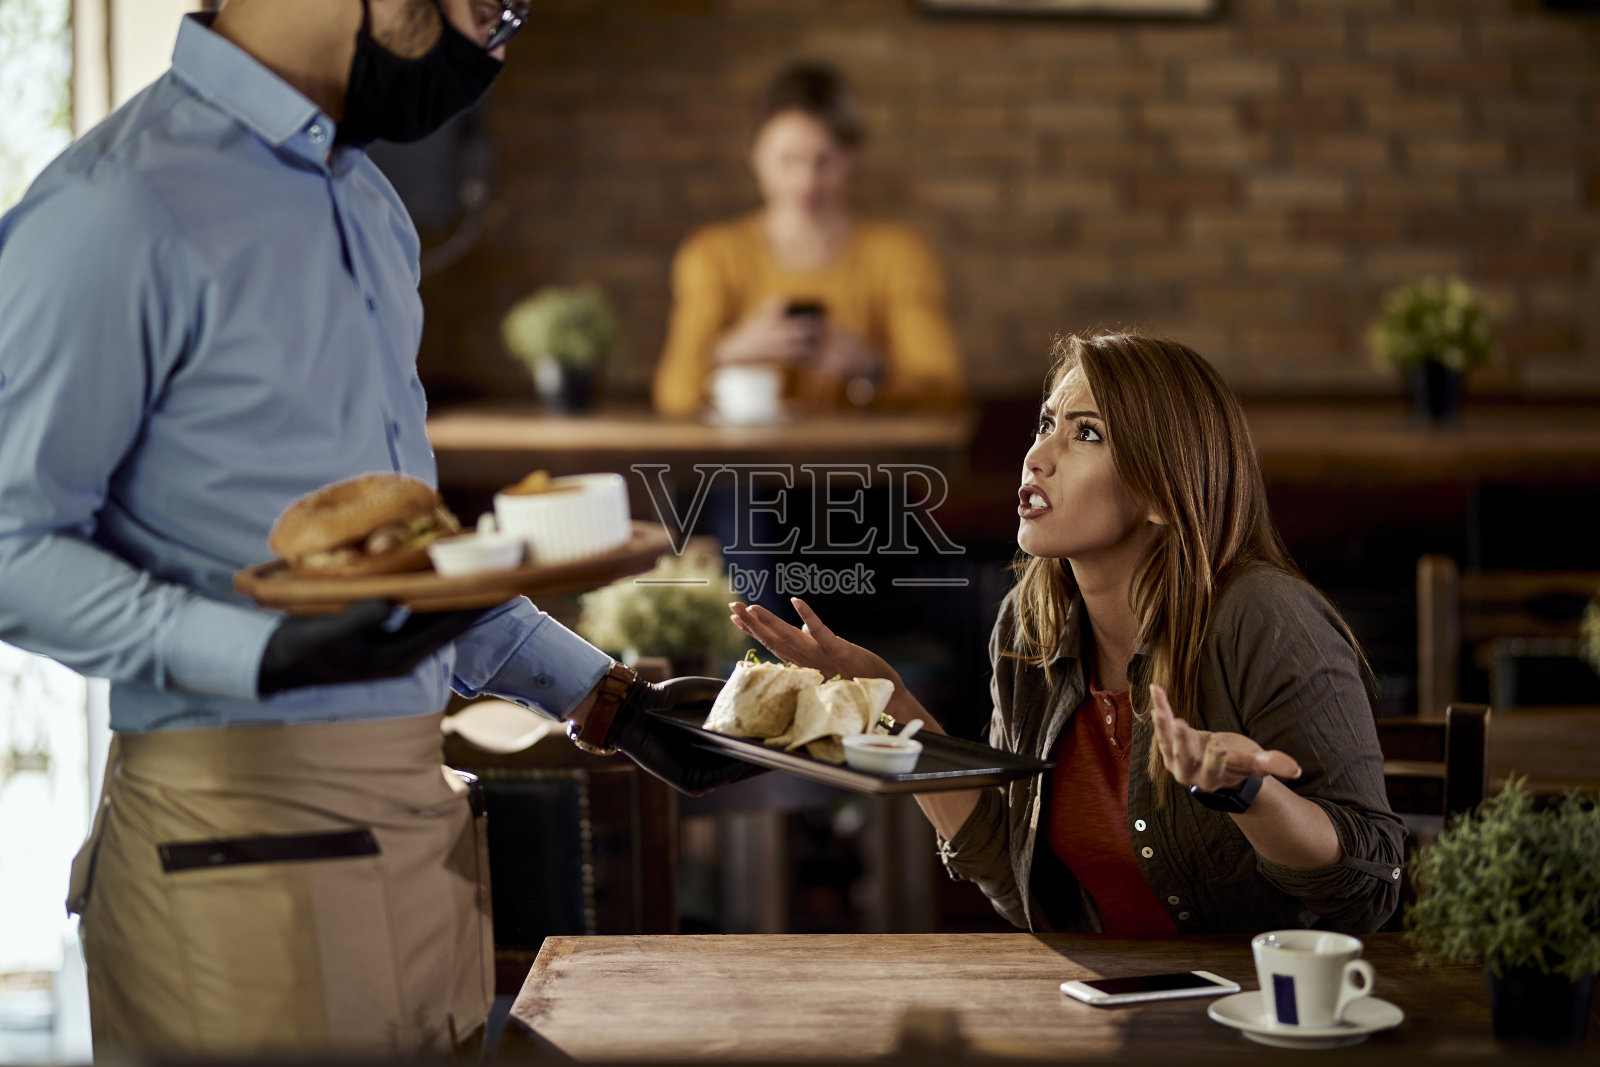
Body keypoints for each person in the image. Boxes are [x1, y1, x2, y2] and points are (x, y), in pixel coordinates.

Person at [0, 0, 751, 1055]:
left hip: (421, 820)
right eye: (486, 3)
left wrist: (602, 695)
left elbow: (407, 555)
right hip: (231, 833)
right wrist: (260, 651)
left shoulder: (367, 204)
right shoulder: (115, 207)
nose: (496, 38)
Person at [732, 332, 1406, 936]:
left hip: (1269, 1012)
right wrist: (889, 704)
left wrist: (1248, 794)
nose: (1037, 456)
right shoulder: (1031, 624)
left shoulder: (1265, 617)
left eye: (1086, 434)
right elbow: (1012, 871)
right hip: (1113, 1012)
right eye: (1047, 422)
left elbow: (1367, 889)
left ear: (1163, 492)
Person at [652, 60, 965, 416]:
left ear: (851, 158)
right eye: (788, 160)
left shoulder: (900, 254)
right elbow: (673, 396)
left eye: (823, 161)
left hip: (865, 466)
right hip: (745, 468)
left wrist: (870, 367)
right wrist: (731, 350)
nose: (806, 182)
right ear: (756, 156)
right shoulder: (711, 254)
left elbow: (943, 388)